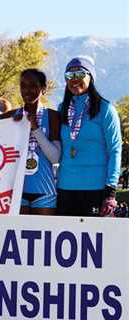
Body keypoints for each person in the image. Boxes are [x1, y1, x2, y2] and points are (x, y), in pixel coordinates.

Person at [57, 56, 122, 216]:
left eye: (79, 74)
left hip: (96, 187)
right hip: (66, 186)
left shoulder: (106, 109)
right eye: (69, 76)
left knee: (94, 241)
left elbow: (115, 150)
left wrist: (111, 191)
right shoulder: (61, 109)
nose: (74, 80)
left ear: (91, 77)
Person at [14, 69, 61, 215]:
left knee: (44, 236)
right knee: (17, 236)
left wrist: (36, 129)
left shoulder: (52, 116)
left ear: (43, 88)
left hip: (44, 189)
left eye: (33, 85)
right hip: (17, 188)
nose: (27, 90)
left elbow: (55, 157)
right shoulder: (12, 116)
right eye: (23, 85)